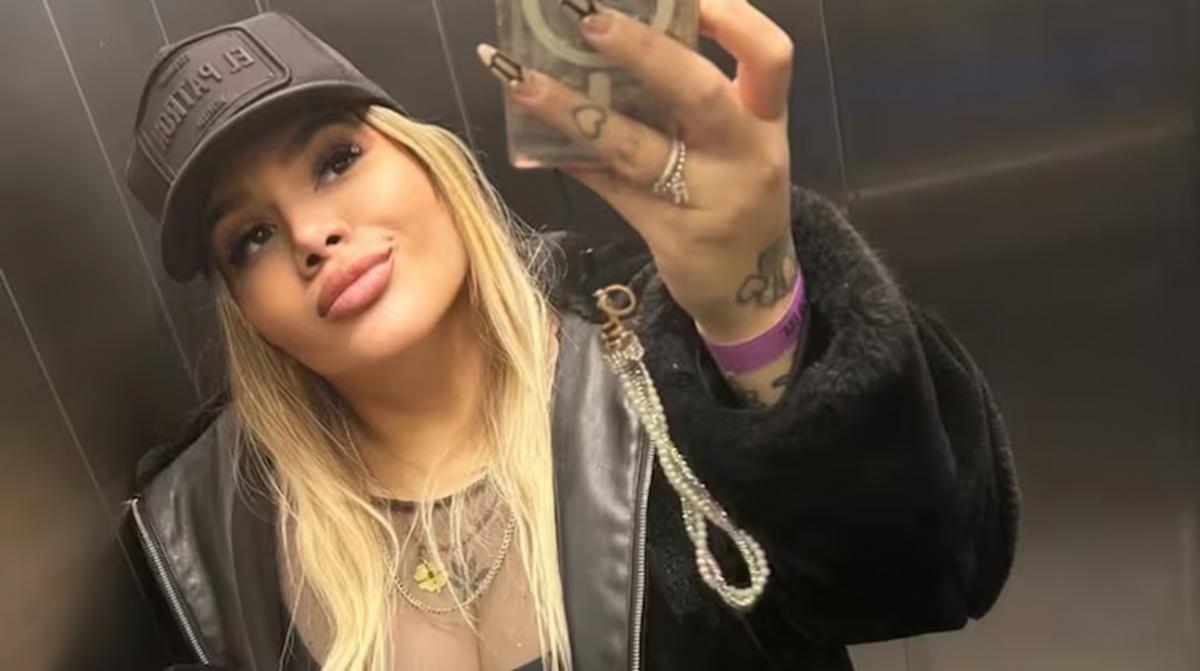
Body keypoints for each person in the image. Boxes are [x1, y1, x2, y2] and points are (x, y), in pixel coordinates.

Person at [123, 5, 1019, 671]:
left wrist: (756, 311)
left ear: (428, 159)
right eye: (249, 238)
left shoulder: (661, 351)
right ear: (245, 309)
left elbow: (926, 576)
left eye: (336, 160)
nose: (310, 234)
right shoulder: (206, 529)